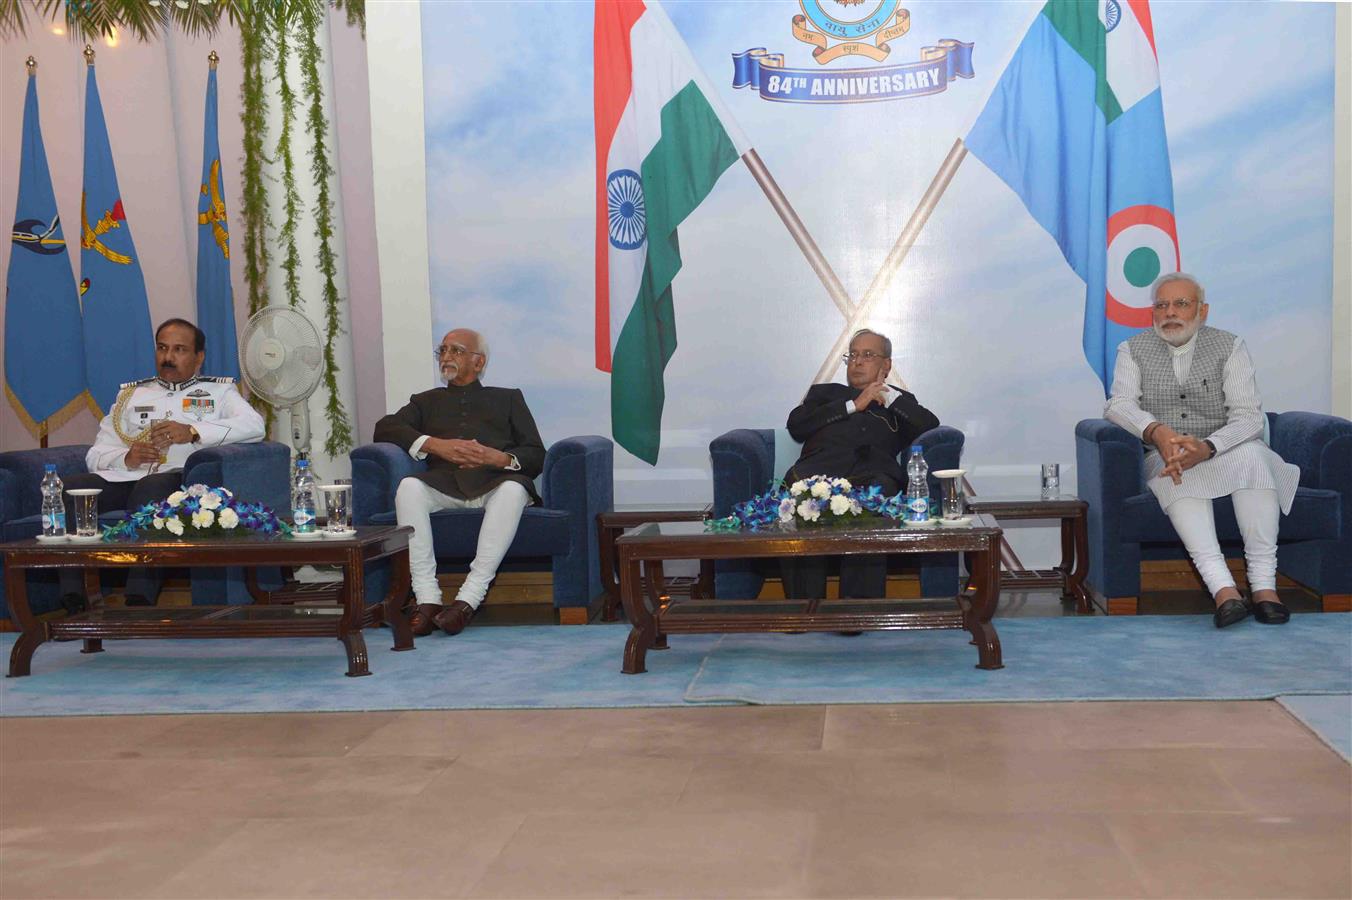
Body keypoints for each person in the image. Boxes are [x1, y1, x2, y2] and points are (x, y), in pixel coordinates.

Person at [1105, 272, 1299, 628]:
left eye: (1181, 303)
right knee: (1176, 472)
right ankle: (1223, 590)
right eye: (1161, 305)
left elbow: (1248, 418)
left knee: (1255, 457)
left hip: (1226, 450)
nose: (1170, 312)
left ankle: (1264, 588)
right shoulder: (1131, 350)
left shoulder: (1230, 346)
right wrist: (1158, 432)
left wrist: (1208, 447)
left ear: (1202, 310)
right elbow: (1118, 404)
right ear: (1152, 313)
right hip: (1165, 456)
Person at [63, 318, 265, 606]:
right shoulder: (131, 395)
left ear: (199, 357)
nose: (168, 357)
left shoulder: (220, 393)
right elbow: (95, 455)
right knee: (72, 489)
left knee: (151, 489)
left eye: (180, 349)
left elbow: (255, 426)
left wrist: (193, 432)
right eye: (162, 348)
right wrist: (126, 457)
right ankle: (75, 599)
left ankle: (139, 598)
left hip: (178, 480)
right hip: (127, 477)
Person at [373, 328, 545, 636]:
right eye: (443, 350)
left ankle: (468, 599)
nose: (447, 357)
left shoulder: (508, 399)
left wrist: (499, 458)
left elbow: (536, 454)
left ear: (478, 363)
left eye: (456, 351)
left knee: (514, 489)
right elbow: (385, 428)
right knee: (409, 487)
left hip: (495, 483)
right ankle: (427, 599)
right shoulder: (425, 401)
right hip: (445, 485)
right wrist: (435, 445)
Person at [781, 328, 941, 601]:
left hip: (872, 480)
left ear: (886, 364)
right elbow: (797, 426)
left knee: (874, 502)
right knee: (802, 500)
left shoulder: (899, 401)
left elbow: (930, 427)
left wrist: (887, 396)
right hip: (816, 476)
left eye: (868, 355)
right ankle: (804, 612)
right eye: (853, 355)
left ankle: (858, 613)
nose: (857, 361)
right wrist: (854, 404)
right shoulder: (824, 394)